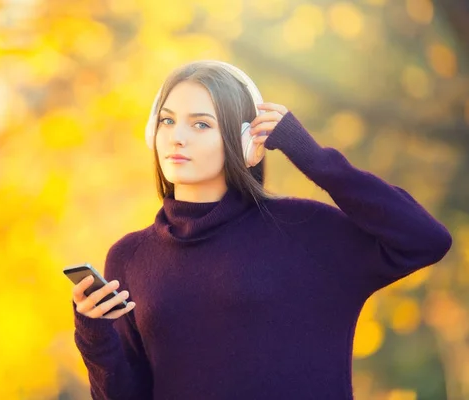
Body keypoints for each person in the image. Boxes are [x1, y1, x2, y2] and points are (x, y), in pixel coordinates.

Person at [71, 60, 453, 400]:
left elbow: (425, 239)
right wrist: (94, 335)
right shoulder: (129, 257)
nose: (177, 136)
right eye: (167, 120)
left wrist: (312, 157)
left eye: (201, 124)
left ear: (247, 140)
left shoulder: (306, 231)